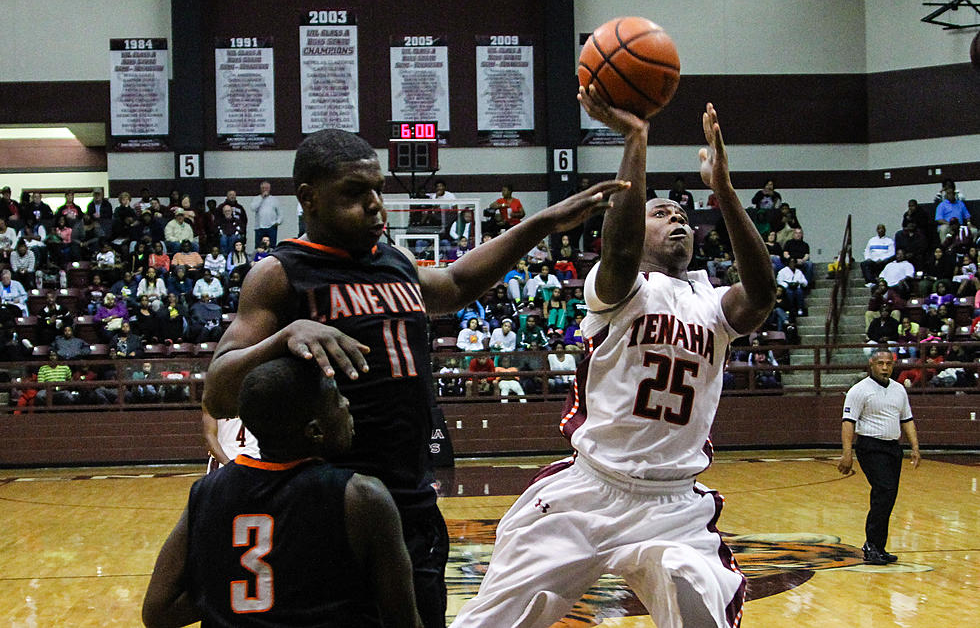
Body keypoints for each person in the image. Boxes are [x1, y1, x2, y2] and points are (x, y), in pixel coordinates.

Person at [201, 127, 620, 627]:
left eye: (378, 189)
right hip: (335, 506)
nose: (375, 205)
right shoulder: (281, 273)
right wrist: (283, 336)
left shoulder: (394, 262)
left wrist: (543, 222)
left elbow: (460, 281)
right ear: (308, 199)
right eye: (354, 193)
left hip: (411, 499)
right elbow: (219, 391)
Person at [451, 95, 775, 628]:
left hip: (673, 505)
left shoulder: (711, 304)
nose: (677, 219)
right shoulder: (615, 292)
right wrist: (635, 142)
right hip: (590, 488)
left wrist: (725, 192)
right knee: (491, 620)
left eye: (683, 215)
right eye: (660, 213)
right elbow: (621, 253)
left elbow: (760, 295)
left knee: (696, 595)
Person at [142, 356, 424, 628]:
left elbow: (158, 612)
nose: (347, 404)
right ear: (315, 431)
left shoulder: (205, 492)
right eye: (337, 399)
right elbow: (404, 621)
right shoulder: (363, 497)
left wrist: (243, 593)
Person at [837, 349, 921, 565]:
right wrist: (847, 454)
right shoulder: (859, 390)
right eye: (880, 363)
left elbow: (907, 419)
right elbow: (848, 422)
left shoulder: (899, 390)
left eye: (889, 364)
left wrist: (915, 447)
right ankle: (871, 546)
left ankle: (878, 546)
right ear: (871, 364)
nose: (885, 368)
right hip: (870, 446)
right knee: (883, 490)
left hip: (893, 448)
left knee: (888, 496)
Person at [251, 180, 282, 247]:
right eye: (263, 188)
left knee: (272, 246)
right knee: (259, 247)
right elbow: (253, 208)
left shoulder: (274, 199)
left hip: (271, 227)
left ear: (269, 189)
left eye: (267, 188)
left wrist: (278, 222)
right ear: (261, 189)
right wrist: (262, 198)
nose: (265, 190)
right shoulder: (257, 198)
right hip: (259, 227)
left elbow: (280, 212)